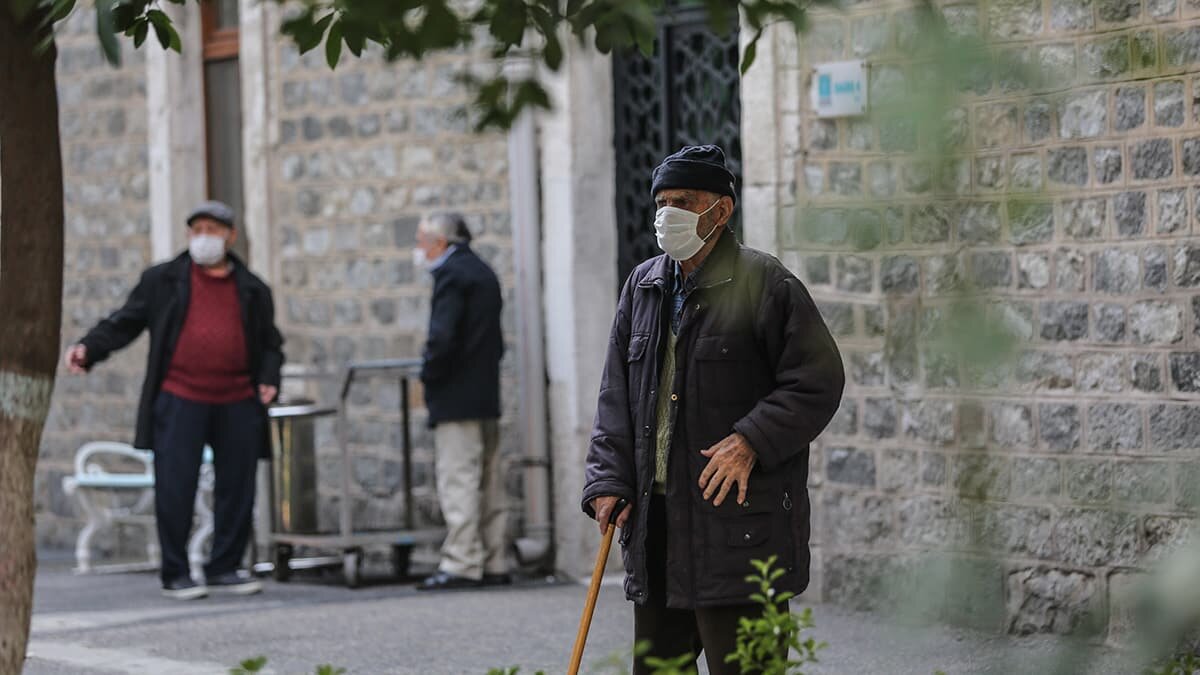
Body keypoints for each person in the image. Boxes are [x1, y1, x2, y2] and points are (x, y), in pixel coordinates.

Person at [581, 145, 845, 673]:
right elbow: (616, 395)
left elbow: (817, 380)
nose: (666, 214)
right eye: (661, 202)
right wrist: (607, 479)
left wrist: (751, 439)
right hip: (657, 532)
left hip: (739, 533)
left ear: (720, 210)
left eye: (682, 201)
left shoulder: (766, 284)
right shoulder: (644, 285)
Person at [64, 200, 284, 600]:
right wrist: (89, 349)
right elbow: (125, 321)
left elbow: (271, 344)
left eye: (213, 230)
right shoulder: (164, 280)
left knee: (238, 486)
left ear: (231, 236)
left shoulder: (252, 289)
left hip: (237, 398)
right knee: (175, 485)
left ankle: (225, 567)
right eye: (197, 229)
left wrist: (269, 379)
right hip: (181, 397)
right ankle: (176, 571)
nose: (204, 238)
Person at [412, 213, 509, 591]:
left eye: (422, 240)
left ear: (439, 242)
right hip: (485, 392)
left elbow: (442, 339)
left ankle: (462, 562)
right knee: (489, 480)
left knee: (459, 480)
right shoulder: (482, 272)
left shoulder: (451, 276)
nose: (419, 249)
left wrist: (429, 376)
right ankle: (495, 558)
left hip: (456, 395)